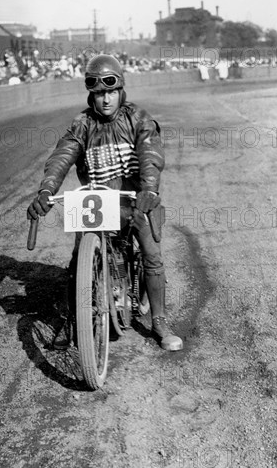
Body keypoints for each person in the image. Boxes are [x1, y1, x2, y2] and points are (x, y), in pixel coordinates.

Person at [27, 54, 183, 352]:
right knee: (77, 258)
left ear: (120, 90)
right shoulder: (82, 123)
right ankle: (75, 317)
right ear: (91, 95)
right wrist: (46, 190)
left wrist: (149, 188)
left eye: (111, 92)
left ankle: (160, 320)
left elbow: (150, 154)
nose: (106, 100)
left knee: (151, 253)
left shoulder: (138, 118)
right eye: (99, 94)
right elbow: (62, 156)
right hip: (97, 200)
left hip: (136, 200)